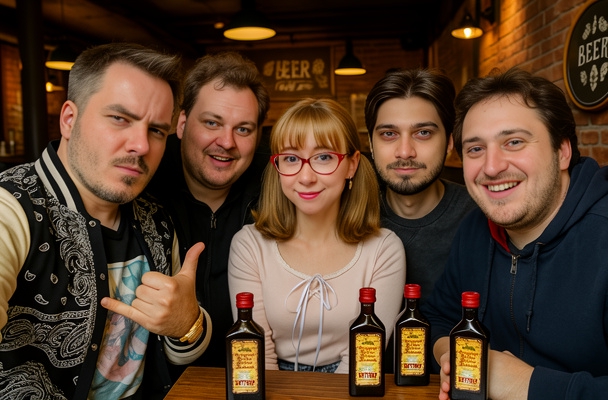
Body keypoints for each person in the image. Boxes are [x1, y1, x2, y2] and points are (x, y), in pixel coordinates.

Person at [0, 43, 211, 400]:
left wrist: (187, 324)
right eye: (120, 119)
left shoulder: (157, 219)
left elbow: (182, 353)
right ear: (70, 119)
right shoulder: (11, 208)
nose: (141, 145)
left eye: (156, 131)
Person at [421, 68, 608, 399]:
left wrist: (526, 383)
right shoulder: (474, 230)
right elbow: (438, 316)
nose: (492, 167)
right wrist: (451, 354)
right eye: (475, 149)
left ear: (562, 151)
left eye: (514, 142)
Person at [228, 98, 405, 374]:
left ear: (352, 164)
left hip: (351, 382)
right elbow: (256, 355)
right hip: (269, 382)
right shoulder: (248, 245)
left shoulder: (384, 249)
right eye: (291, 159)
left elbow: (363, 358)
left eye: (323, 157)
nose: (306, 177)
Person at [148, 51, 270, 368]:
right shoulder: (144, 184)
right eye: (212, 123)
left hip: (255, 376)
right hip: (164, 379)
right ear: (182, 123)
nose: (226, 142)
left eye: (243, 129)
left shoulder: (279, 189)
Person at [365, 68, 477, 304]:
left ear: (449, 142)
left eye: (423, 133)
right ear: (371, 144)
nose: (405, 151)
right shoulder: (350, 215)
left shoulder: (481, 216)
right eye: (389, 134)